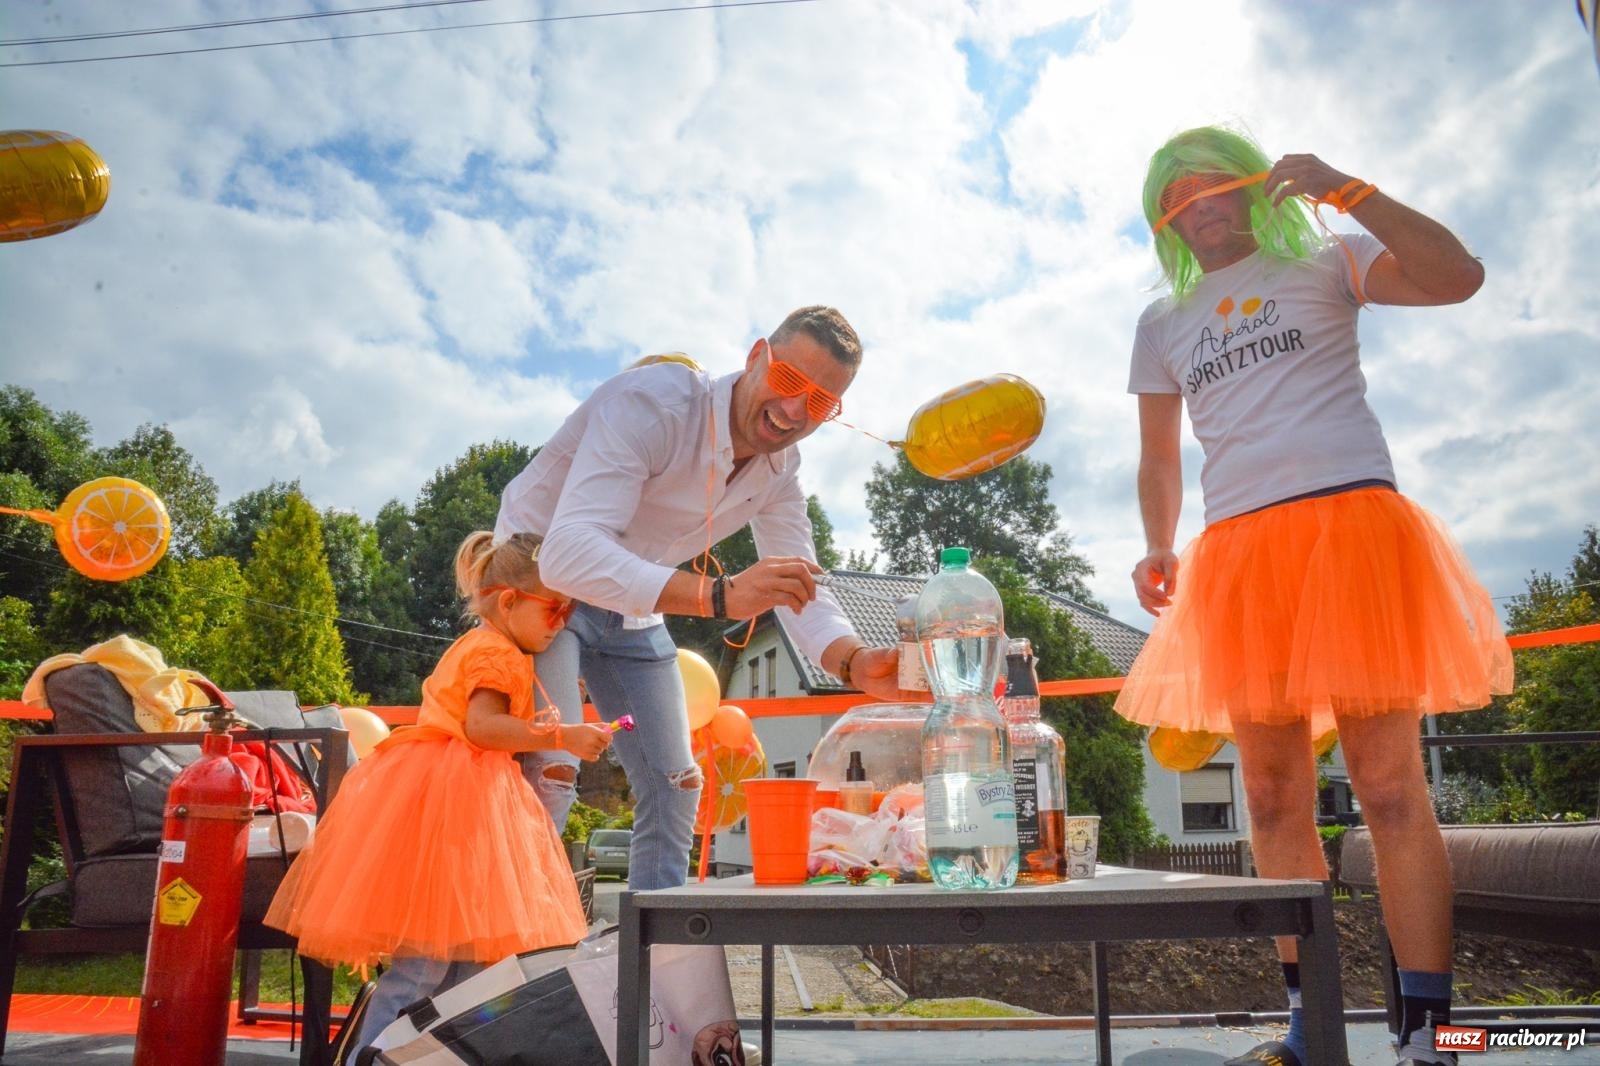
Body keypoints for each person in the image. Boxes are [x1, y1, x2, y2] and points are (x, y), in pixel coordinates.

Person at [1116, 126, 1513, 1066]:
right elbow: (1158, 456)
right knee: (1271, 793)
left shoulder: (1333, 257)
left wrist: (1351, 189)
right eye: (1177, 201)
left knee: (1386, 787)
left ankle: (1432, 1037)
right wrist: (1154, 544)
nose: (1201, 208)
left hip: (1353, 532)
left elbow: (1460, 276)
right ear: (1164, 222)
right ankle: (1312, 1023)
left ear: (1257, 185)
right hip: (1242, 557)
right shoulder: (1161, 322)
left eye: (1215, 186)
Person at [496, 305, 908, 891]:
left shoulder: (780, 470)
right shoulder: (653, 404)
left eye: (819, 403)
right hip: (534, 584)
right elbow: (567, 554)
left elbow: (802, 586)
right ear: (755, 356)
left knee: (678, 784)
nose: (794, 411)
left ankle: (654, 960)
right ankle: (497, 954)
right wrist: (719, 596)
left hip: (630, 598)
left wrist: (855, 662)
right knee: (553, 768)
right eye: (788, 381)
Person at [265, 531, 613, 1054]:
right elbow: (482, 727)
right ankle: (369, 1058)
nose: (562, 623)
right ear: (510, 601)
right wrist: (562, 736)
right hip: (455, 802)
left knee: (460, 970)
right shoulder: (494, 652)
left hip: (464, 806)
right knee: (424, 967)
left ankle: (417, 1056)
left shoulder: (494, 648)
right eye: (555, 610)